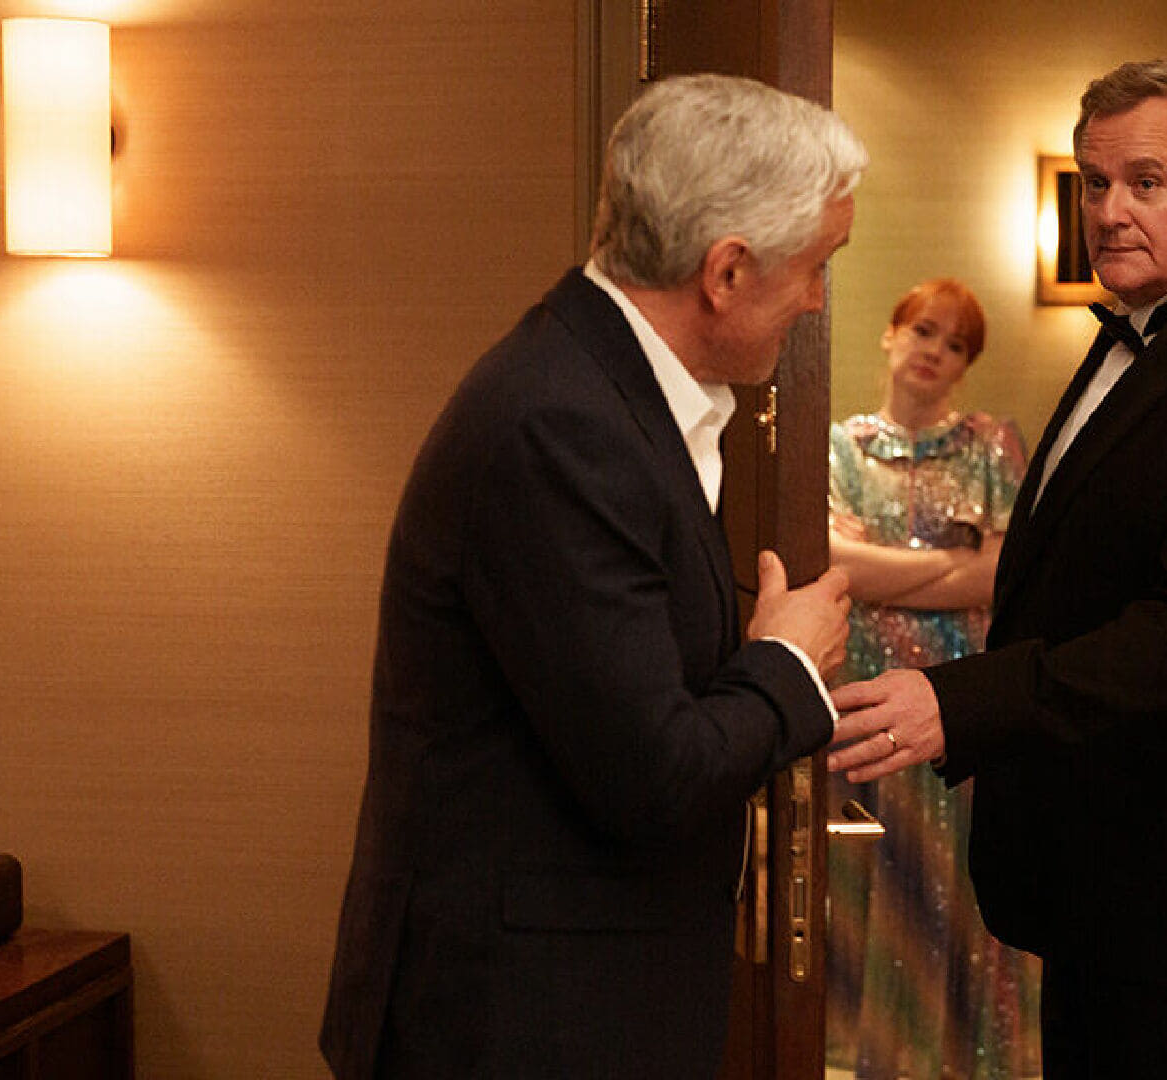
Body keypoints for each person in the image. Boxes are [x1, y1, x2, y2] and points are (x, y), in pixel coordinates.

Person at [320, 74, 866, 1080]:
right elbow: (654, 777)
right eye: (816, 265)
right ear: (728, 270)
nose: (816, 300)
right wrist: (788, 665)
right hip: (520, 1022)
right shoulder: (563, 424)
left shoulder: (610, 390)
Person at [828, 60, 1167, 1079]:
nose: (1109, 211)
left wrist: (962, 699)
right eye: (1094, 183)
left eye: (1146, 182)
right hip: (1110, 877)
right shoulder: (1135, 337)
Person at [822, 278, 1040, 1078]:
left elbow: (1002, 577)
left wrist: (883, 572)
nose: (935, 352)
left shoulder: (991, 444)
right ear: (890, 334)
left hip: (961, 712)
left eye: (955, 345)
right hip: (861, 700)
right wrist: (950, 564)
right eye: (923, 330)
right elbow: (836, 566)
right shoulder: (841, 447)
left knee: (959, 884)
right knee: (869, 875)